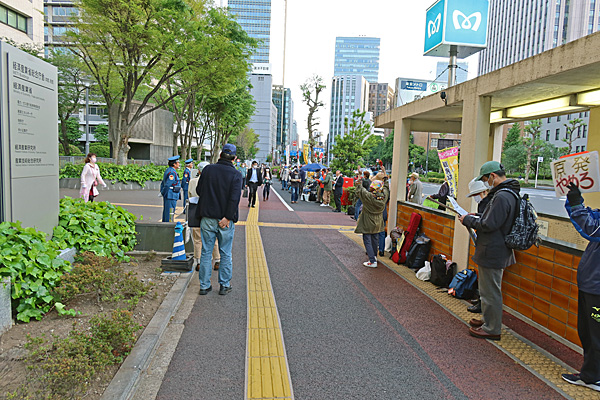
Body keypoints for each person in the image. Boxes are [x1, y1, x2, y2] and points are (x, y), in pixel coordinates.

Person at [459, 161, 520, 341]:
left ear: (493, 176)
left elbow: (489, 224)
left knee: (490, 291)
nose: (486, 183)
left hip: (493, 249)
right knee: (488, 290)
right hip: (498, 248)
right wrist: (476, 216)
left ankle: (492, 328)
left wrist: (468, 220)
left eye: (486, 179)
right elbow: (494, 219)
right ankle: (487, 321)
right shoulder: (510, 193)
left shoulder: (502, 196)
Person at [561, 183, 600, 392]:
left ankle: (593, 377)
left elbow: (591, 228)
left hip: (597, 288)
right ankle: (590, 374)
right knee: (587, 332)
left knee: (595, 335)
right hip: (591, 285)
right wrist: (574, 202)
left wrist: (576, 202)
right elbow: (590, 217)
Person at [194, 144, 242, 295]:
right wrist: (227, 217)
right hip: (225, 221)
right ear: (234, 158)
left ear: (220, 155)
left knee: (206, 252)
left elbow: (199, 190)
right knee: (225, 252)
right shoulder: (236, 175)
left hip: (207, 218)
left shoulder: (208, 170)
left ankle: (204, 286)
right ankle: (224, 285)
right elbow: (234, 199)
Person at [354, 166, 390, 268]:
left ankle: (372, 261)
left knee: (367, 240)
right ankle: (374, 256)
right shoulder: (384, 197)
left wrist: (359, 175)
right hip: (378, 221)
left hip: (367, 221)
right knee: (375, 239)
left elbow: (359, 188)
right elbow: (386, 187)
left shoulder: (369, 197)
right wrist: (384, 173)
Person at [188, 162, 220, 272]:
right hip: (210, 212)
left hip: (196, 211)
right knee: (213, 237)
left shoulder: (193, 182)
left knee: (198, 239)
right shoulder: (215, 181)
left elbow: (189, 196)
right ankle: (217, 260)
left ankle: (198, 262)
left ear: (199, 171)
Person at [465, 178, 490, 314]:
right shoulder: (488, 202)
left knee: (487, 281)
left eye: (475, 195)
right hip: (487, 245)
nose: (475, 198)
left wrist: (469, 220)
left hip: (488, 246)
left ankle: (483, 304)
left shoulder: (487, 203)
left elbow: (485, 223)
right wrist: (475, 215)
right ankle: (481, 300)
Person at [160, 155, 181, 222]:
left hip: (170, 194)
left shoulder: (170, 170)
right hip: (171, 195)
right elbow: (167, 184)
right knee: (169, 213)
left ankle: (165, 224)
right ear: (174, 164)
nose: (179, 164)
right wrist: (163, 192)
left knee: (167, 212)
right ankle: (168, 225)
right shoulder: (172, 172)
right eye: (178, 162)